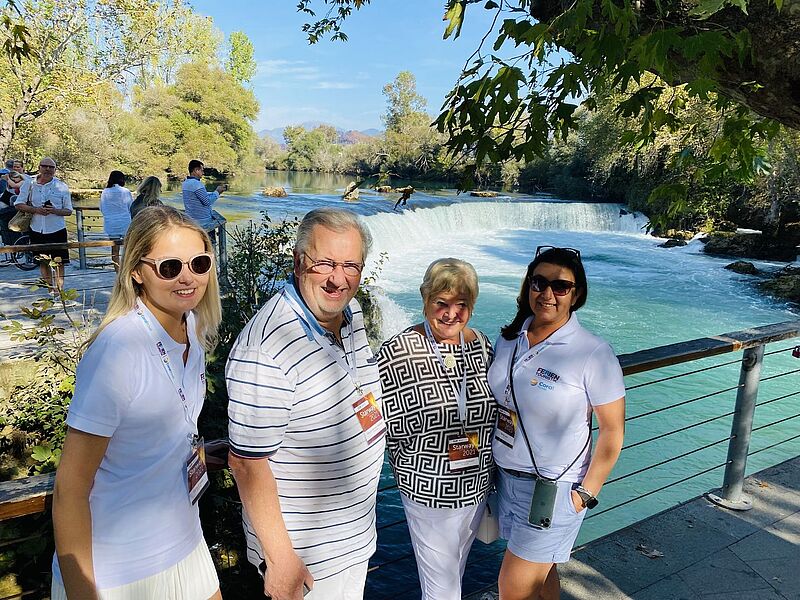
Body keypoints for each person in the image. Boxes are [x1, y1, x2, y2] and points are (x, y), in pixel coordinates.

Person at [51, 205, 223, 600]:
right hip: (120, 570)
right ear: (136, 271)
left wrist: (196, 450)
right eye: (169, 267)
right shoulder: (120, 349)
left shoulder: (192, 327)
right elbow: (71, 488)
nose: (188, 278)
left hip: (185, 540)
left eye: (199, 263)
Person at [226, 207, 385, 600]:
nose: (338, 278)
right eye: (325, 263)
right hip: (306, 557)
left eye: (350, 265)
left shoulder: (351, 314)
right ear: (299, 262)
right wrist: (281, 561)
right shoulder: (266, 348)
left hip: (351, 540)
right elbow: (247, 463)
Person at [488, 246, 625, 600]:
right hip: (508, 480)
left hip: (554, 488)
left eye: (560, 287)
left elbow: (613, 430)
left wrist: (586, 493)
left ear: (576, 294)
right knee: (542, 575)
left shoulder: (592, 352)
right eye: (539, 282)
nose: (547, 293)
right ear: (528, 286)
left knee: (513, 588)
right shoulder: (509, 339)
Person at [376, 258, 496, 600]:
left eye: (462, 305)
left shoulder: (482, 345)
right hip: (427, 489)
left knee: (453, 573)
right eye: (441, 303)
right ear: (425, 298)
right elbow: (380, 424)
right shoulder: (398, 351)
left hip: (475, 485)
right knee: (441, 588)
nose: (451, 314)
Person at [14, 157, 72, 290]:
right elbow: (18, 204)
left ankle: (59, 293)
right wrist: (36, 210)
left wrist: (55, 211)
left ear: (55, 170)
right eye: (45, 166)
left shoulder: (62, 186)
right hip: (37, 230)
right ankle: (50, 291)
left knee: (59, 264)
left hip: (57, 230)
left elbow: (68, 211)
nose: (48, 169)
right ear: (39, 167)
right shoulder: (29, 184)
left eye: (51, 167)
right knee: (43, 263)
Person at [99, 170, 133, 271]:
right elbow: (130, 206)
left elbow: (102, 207)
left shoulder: (105, 192)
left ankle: (117, 272)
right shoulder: (125, 191)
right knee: (128, 248)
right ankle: (127, 270)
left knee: (114, 250)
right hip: (125, 222)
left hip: (111, 223)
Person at [182, 160, 225, 231]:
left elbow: (198, 196)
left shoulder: (185, 183)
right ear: (196, 170)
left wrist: (214, 192)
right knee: (210, 242)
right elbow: (207, 201)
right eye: (202, 170)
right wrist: (218, 192)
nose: (203, 173)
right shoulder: (197, 184)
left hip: (192, 220)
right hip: (203, 223)